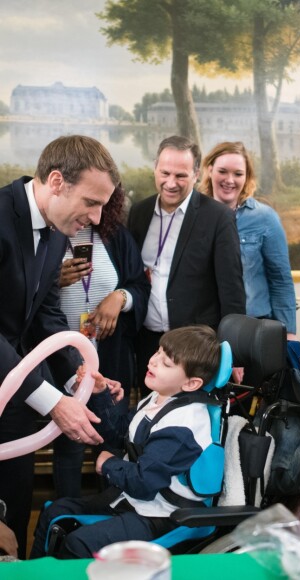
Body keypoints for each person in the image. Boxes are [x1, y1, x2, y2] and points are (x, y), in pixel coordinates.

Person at [0, 134, 120, 557]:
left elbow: (44, 318)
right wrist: (52, 401)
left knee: (12, 508)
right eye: (91, 201)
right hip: (15, 382)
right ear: (56, 181)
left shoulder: (54, 234)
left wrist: (77, 373)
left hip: (14, 400)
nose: (96, 215)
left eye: (103, 204)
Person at [30, 325, 221, 559]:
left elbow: (144, 481)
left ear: (191, 384)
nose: (153, 362)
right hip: (137, 501)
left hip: (164, 516)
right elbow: (119, 433)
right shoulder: (160, 398)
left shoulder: (184, 425)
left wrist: (108, 464)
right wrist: (99, 394)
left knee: (78, 543)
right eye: (158, 352)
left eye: (166, 363)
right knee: (54, 512)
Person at [127, 136, 245, 397]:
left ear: (196, 174)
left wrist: (233, 352)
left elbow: (232, 290)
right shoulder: (139, 212)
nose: (170, 183)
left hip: (195, 349)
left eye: (180, 175)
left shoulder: (218, 217)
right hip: (148, 343)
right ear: (155, 168)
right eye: (165, 173)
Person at [53, 183, 151, 498]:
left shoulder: (116, 236)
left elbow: (139, 286)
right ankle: (65, 516)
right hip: (63, 360)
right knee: (68, 443)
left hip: (110, 354)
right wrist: (55, 280)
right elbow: (27, 296)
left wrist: (120, 298)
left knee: (112, 438)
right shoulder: (48, 236)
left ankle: (111, 513)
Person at [199, 141, 297, 338]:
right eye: (222, 171)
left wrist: (289, 333)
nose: (230, 180)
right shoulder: (194, 216)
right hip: (203, 330)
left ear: (247, 177)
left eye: (238, 174)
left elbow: (280, 280)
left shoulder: (265, 218)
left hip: (253, 328)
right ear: (209, 170)